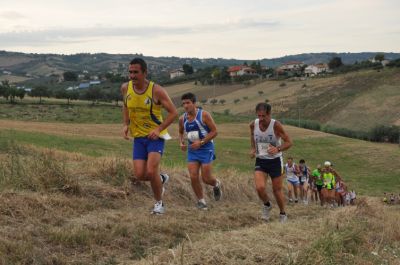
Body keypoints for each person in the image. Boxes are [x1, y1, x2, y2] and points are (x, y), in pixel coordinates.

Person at [121, 58, 178, 215]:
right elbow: (125, 106)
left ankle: (159, 204)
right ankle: (161, 179)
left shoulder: (156, 90)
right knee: (140, 175)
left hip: (155, 137)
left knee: (151, 171)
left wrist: (159, 129)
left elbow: (173, 113)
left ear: (145, 73)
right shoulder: (125, 88)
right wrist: (126, 124)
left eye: (136, 72)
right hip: (138, 137)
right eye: (130, 72)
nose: (132, 75)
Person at [178, 92, 222, 210]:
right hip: (192, 150)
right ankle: (201, 201)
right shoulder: (182, 119)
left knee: (206, 179)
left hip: (206, 148)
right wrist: (181, 142)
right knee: (193, 176)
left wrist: (201, 142)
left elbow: (214, 131)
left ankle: (216, 184)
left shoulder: (204, 115)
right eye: (183, 104)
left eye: (188, 103)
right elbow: (181, 131)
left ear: (194, 103)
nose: (186, 106)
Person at [250, 102, 292, 223]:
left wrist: (277, 148)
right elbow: (252, 136)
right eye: (259, 116)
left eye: (264, 116)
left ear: (269, 114)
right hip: (261, 159)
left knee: (276, 190)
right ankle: (267, 205)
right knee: (260, 187)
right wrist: (253, 148)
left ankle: (283, 213)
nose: (261, 119)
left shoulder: (276, 125)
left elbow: (289, 142)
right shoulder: (253, 124)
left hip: (275, 161)